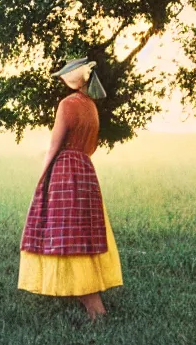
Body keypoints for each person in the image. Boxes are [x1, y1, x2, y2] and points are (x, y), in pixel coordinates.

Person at [18, 58, 123, 321]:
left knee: (66, 235)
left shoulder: (67, 104)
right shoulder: (91, 107)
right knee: (83, 234)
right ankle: (80, 295)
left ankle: (94, 308)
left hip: (66, 169)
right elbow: (91, 147)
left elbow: (55, 145)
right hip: (86, 169)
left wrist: (42, 177)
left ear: (71, 78)